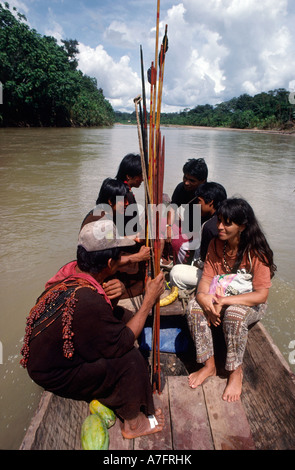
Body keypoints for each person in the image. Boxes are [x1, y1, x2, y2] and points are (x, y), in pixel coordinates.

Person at [20, 219, 165, 439]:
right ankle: (134, 425)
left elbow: (90, 318)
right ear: (109, 263)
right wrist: (148, 300)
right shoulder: (87, 300)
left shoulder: (71, 273)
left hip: (49, 359)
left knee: (122, 316)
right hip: (54, 374)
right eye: (118, 257)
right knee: (130, 360)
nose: (121, 261)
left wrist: (111, 300)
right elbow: (122, 343)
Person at [186, 198, 276, 402]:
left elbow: (261, 295)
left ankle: (235, 372)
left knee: (234, 317)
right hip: (220, 295)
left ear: (242, 226)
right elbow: (206, 277)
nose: (219, 227)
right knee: (194, 308)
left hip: (249, 302)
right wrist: (203, 297)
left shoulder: (256, 252)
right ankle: (209, 366)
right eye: (219, 221)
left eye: (227, 223)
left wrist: (224, 302)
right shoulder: (215, 244)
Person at [81, 177, 150, 313]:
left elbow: (113, 239)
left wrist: (135, 237)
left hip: (100, 261)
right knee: (139, 277)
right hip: (97, 271)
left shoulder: (101, 213)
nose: (126, 204)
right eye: (122, 200)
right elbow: (109, 259)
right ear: (110, 201)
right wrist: (138, 257)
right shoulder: (102, 222)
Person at [170, 182, 227, 290]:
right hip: (223, 270)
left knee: (175, 272)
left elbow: (206, 261)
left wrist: (197, 264)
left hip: (216, 276)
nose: (196, 205)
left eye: (199, 201)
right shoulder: (225, 219)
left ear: (210, 202)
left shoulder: (209, 226)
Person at [169, 158, 208, 264]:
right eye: (185, 178)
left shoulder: (209, 194)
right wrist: (169, 227)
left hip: (201, 231)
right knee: (160, 227)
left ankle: (181, 265)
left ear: (202, 181)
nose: (186, 183)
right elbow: (173, 207)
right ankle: (166, 259)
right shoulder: (181, 188)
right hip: (187, 226)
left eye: (192, 181)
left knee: (178, 242)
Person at [115, 153, 143, 237]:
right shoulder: (124, 194)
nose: (143, 179)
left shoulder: (121, 189)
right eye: (140, 175)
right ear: (129, 176)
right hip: (125, 243)